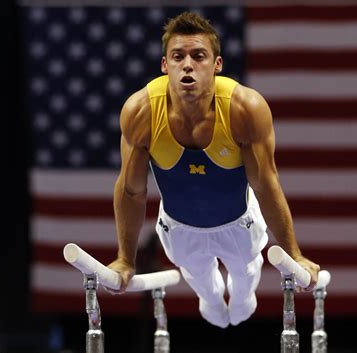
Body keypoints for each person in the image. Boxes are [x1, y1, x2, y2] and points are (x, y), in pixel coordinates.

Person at [107, 11, 320, 328]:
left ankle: (243, 294)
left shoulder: (244, 109)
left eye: (199, 56)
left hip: (239, 225)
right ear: (165, 66)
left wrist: (294, 254)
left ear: (217, 65)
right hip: (179, 229)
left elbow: (265, 185)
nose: (188, 65)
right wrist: (126, 259)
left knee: (244, 285)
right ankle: (210, 297)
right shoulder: (141, 112)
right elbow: (132, 190)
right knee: (205, 291)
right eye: (178, 56)